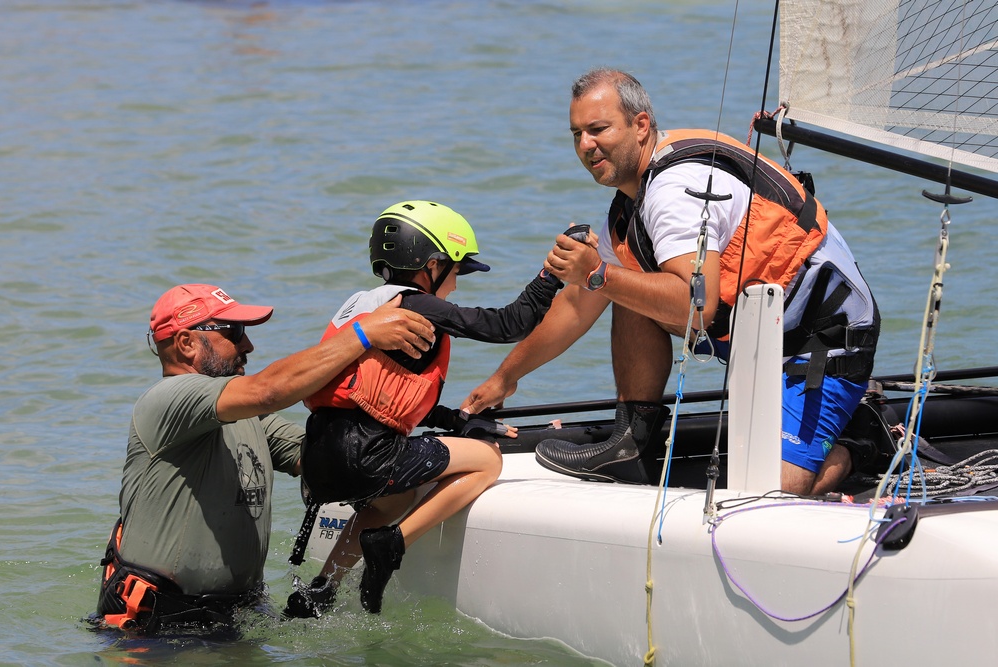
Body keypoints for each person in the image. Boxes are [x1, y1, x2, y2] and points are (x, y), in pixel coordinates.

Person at [461, 68, 879, 496]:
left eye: (598, 129)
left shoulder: (673, 190)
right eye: (577, 134)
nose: (586, 145)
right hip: (757, 332)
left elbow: (697, 306)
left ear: (640, 125)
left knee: (766, 497)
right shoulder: (627, 208)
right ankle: (632, 443)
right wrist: (505, 378)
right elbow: (575, 307)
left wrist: (598, 274)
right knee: (627, 283)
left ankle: (862, 445)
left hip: (825, 337)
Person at [94, 283, 434, 633]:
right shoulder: (166, 400)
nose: (248, 346)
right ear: (186, 343)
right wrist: (362, 334)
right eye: (235, 332)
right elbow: (269, 390)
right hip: (158, 630)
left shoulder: (250, 420)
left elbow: (335, 463)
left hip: (238, 618)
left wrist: (431, 449)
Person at [283, 200, 561, 617]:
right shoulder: (416, 304)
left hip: (320, 459)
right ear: (431, 266)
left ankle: (320, 589)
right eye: (456, 271)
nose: (455, 286)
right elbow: (508, 325)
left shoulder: (359, 305)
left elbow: (374, 397)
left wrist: (455, 420)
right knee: (488, 461)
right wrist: (552, 275)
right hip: (365, 458)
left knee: (394, 500)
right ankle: (392, 544)